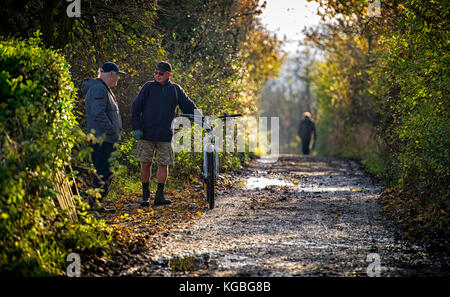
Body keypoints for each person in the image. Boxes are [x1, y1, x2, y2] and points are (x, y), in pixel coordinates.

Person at [131, 61, 201, 207]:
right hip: (146, 133)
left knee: (164, 164)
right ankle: (145, 196)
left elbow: (188, 106)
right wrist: (136, 127)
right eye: (155, 73)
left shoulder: (175, 90)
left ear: (169, 75)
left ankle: (159, 196)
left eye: (160, 73)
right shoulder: (148, 87)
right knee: (145, 163)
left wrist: (201, 119)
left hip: (165, 135)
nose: (157, 76)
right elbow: (136, 107)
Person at [82, 62, 126, 207]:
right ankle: (94, 205)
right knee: (102, 173)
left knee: (105, 173)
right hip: (103, 140)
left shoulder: (103, 89)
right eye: (117, 75)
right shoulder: (99, 89)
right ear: (111, 74)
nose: (118, 79)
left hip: (106, 139)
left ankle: (97, 204)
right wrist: (112, 131)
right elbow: (98, 114)